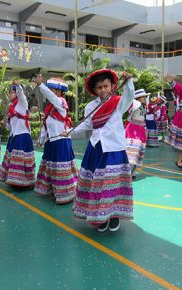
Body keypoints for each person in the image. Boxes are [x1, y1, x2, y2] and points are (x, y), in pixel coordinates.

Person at [61, 69, 134, 232]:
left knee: (113, 185)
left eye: (106, 86)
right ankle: (99, 215)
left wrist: (129, 82)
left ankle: (114, 215)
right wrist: (69, 133)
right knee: (97, 185)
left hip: (114, 150)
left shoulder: (118, 102)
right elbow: (87, 127)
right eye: (99, 87)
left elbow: (130, 97)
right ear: (94, 90)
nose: (103, 90)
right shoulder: (90, 107)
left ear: (112, 86)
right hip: (95, 150)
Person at [34, 76, 78, 204]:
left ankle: (66, 194)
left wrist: (41, 85)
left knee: (60, 168)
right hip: (51, 142)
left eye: (52, 90)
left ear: (59, 92)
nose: (50, 92)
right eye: (50, 90)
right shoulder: (49, 108)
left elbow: (51, 97)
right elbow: (45, 125)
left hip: (61, 141)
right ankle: (51, 190)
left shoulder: (60, 103)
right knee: (51, 167)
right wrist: (41, 140)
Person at [0, 80, 35, 187]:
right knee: (14, 159)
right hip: (14, 136)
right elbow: (11, 127)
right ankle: (15, 181)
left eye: (11, 92)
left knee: (22, 160)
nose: (9, 94)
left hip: (23, 135)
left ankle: (25, 182)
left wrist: (18, 86)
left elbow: (21, 94)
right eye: (10, 92)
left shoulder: (22, 103)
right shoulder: (11, 107)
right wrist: (5, 124)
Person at [125, 88, 148, 179]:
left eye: (145, 96)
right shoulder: (134, 104)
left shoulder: (144, 106)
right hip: (133, 128)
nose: (145, 98)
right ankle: (128, 172)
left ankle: (133, 171)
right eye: (143, 97)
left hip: (141, 129)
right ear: (138, 98)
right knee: (132, 150)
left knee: (138, 150)